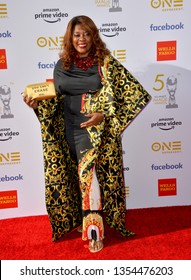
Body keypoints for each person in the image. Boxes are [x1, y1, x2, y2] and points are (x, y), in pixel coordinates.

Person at [22, 15, 151, 253]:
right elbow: (56, 100)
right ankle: (81, 220)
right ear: (70, 38)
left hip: (94, 132)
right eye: (77, 34)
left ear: (94, 36)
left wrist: (104, 114)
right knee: (75, 179)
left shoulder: (106, 63)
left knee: (89, 180)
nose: (82, 39)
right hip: (67, 130)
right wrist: (37, 106)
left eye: (87, 34)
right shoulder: (62, 65)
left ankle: (95, 233)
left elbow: (133, 95)